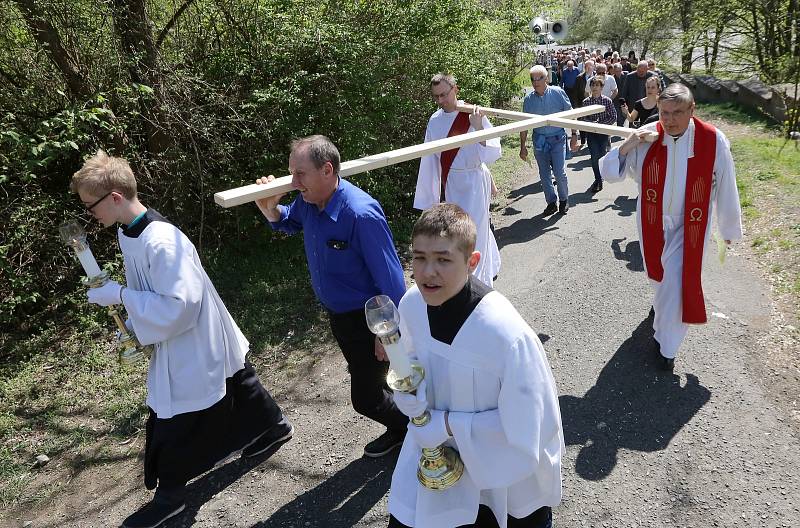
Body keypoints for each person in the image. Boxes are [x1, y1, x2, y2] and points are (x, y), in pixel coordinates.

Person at [72, 151, 293, 528]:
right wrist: (129, 312)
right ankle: (273, 426)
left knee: (172, 413)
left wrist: (122, 296)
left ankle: (170, 496)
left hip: (191, 334)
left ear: (114, 198)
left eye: (91, 206)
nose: (90, 215)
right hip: (197, 332)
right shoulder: (129, 232)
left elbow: (180, 305)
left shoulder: (162, 241)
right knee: (235, 374)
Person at [387, 203, 564, 528]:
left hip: (499, 474)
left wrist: (448, 425)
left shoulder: (504, 333)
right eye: (419, 257)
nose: (428, 272)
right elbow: (409, 360)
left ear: (472, 262)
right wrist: (408, 394)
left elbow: (530, 427)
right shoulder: (411, 304)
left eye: (443, 259)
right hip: (433, 451)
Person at [255, 135, 409, 457]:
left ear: (327, 170)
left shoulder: (361, 214)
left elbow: (391, 279)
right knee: (378, 384)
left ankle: (416, 432)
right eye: (291, 174)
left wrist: (387, 331)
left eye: (300, 174)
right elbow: (290, 222)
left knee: (366, 398)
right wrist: (271, 211)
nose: (294, 182)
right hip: (340, 318)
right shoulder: (309, 203)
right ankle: (403, 429)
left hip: (369, 320)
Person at [599, 84, 743, 370]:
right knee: (659, 277)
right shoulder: (648, 137)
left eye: (678, 113)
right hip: (652, 221)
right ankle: (663, 311)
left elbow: (727, 184)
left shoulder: (712, 140)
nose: (670, 120)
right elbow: (610, 174)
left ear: (692, 110)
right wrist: (628, 143)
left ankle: (666, 346)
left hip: (690, 224)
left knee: (676, 282)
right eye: (665, 112)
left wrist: (728, 229)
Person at [414, 72, 501, 286]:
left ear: (456, 89)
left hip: (474, 180)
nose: (441, 100)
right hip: (452, 183)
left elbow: (492, 153)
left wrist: (479, 127)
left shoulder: (473, 114)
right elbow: (429, 161)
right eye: (436, 97)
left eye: (444, 94)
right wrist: (430, 199)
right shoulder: (434, 121)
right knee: (458, 231)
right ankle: (483, 268)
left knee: (477, 229)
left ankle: (479, 282)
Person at [520, 65, 576, 216]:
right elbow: (523, 124)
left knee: (559, 172)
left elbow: (571, 115)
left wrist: (574, 135)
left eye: (539, 78)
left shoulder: (558, 92)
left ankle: (564, 200)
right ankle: (551, 202)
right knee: (544, 175)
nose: (535, 82)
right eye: (533, 79)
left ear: (546, 78)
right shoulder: (529, 100)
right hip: (539, 140)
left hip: (558, 138)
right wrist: (522, 146)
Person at [579, 76, 617, 192]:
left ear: (601, 87)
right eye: (593, 85)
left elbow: (613, 116)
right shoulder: (586, 102)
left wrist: (600, 123)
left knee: (602, 156)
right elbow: (583, 118)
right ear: (590, 87)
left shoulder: (607, 101)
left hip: (604, 133)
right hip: (592, 133)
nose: (594, 87)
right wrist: (591, 123)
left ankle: (602, 175)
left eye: (597, 85)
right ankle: (598, 180)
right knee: (594, 156)